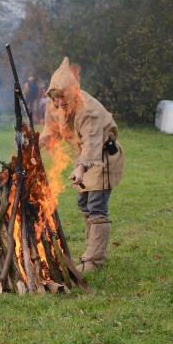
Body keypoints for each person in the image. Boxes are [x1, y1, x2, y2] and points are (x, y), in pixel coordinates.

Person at [39, 57, 125, 272]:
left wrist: (80, 167)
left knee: (96, 206)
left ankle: (95, 260)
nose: (59, 102)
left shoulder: (88, 109)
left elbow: (92, 142)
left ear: (72, 91)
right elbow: (50, 132)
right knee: (83, 203)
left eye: (63, 96)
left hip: (102, 157)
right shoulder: (54, 106)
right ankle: (91, 253)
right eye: (55, 97)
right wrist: (33, 144)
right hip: (83, 159)